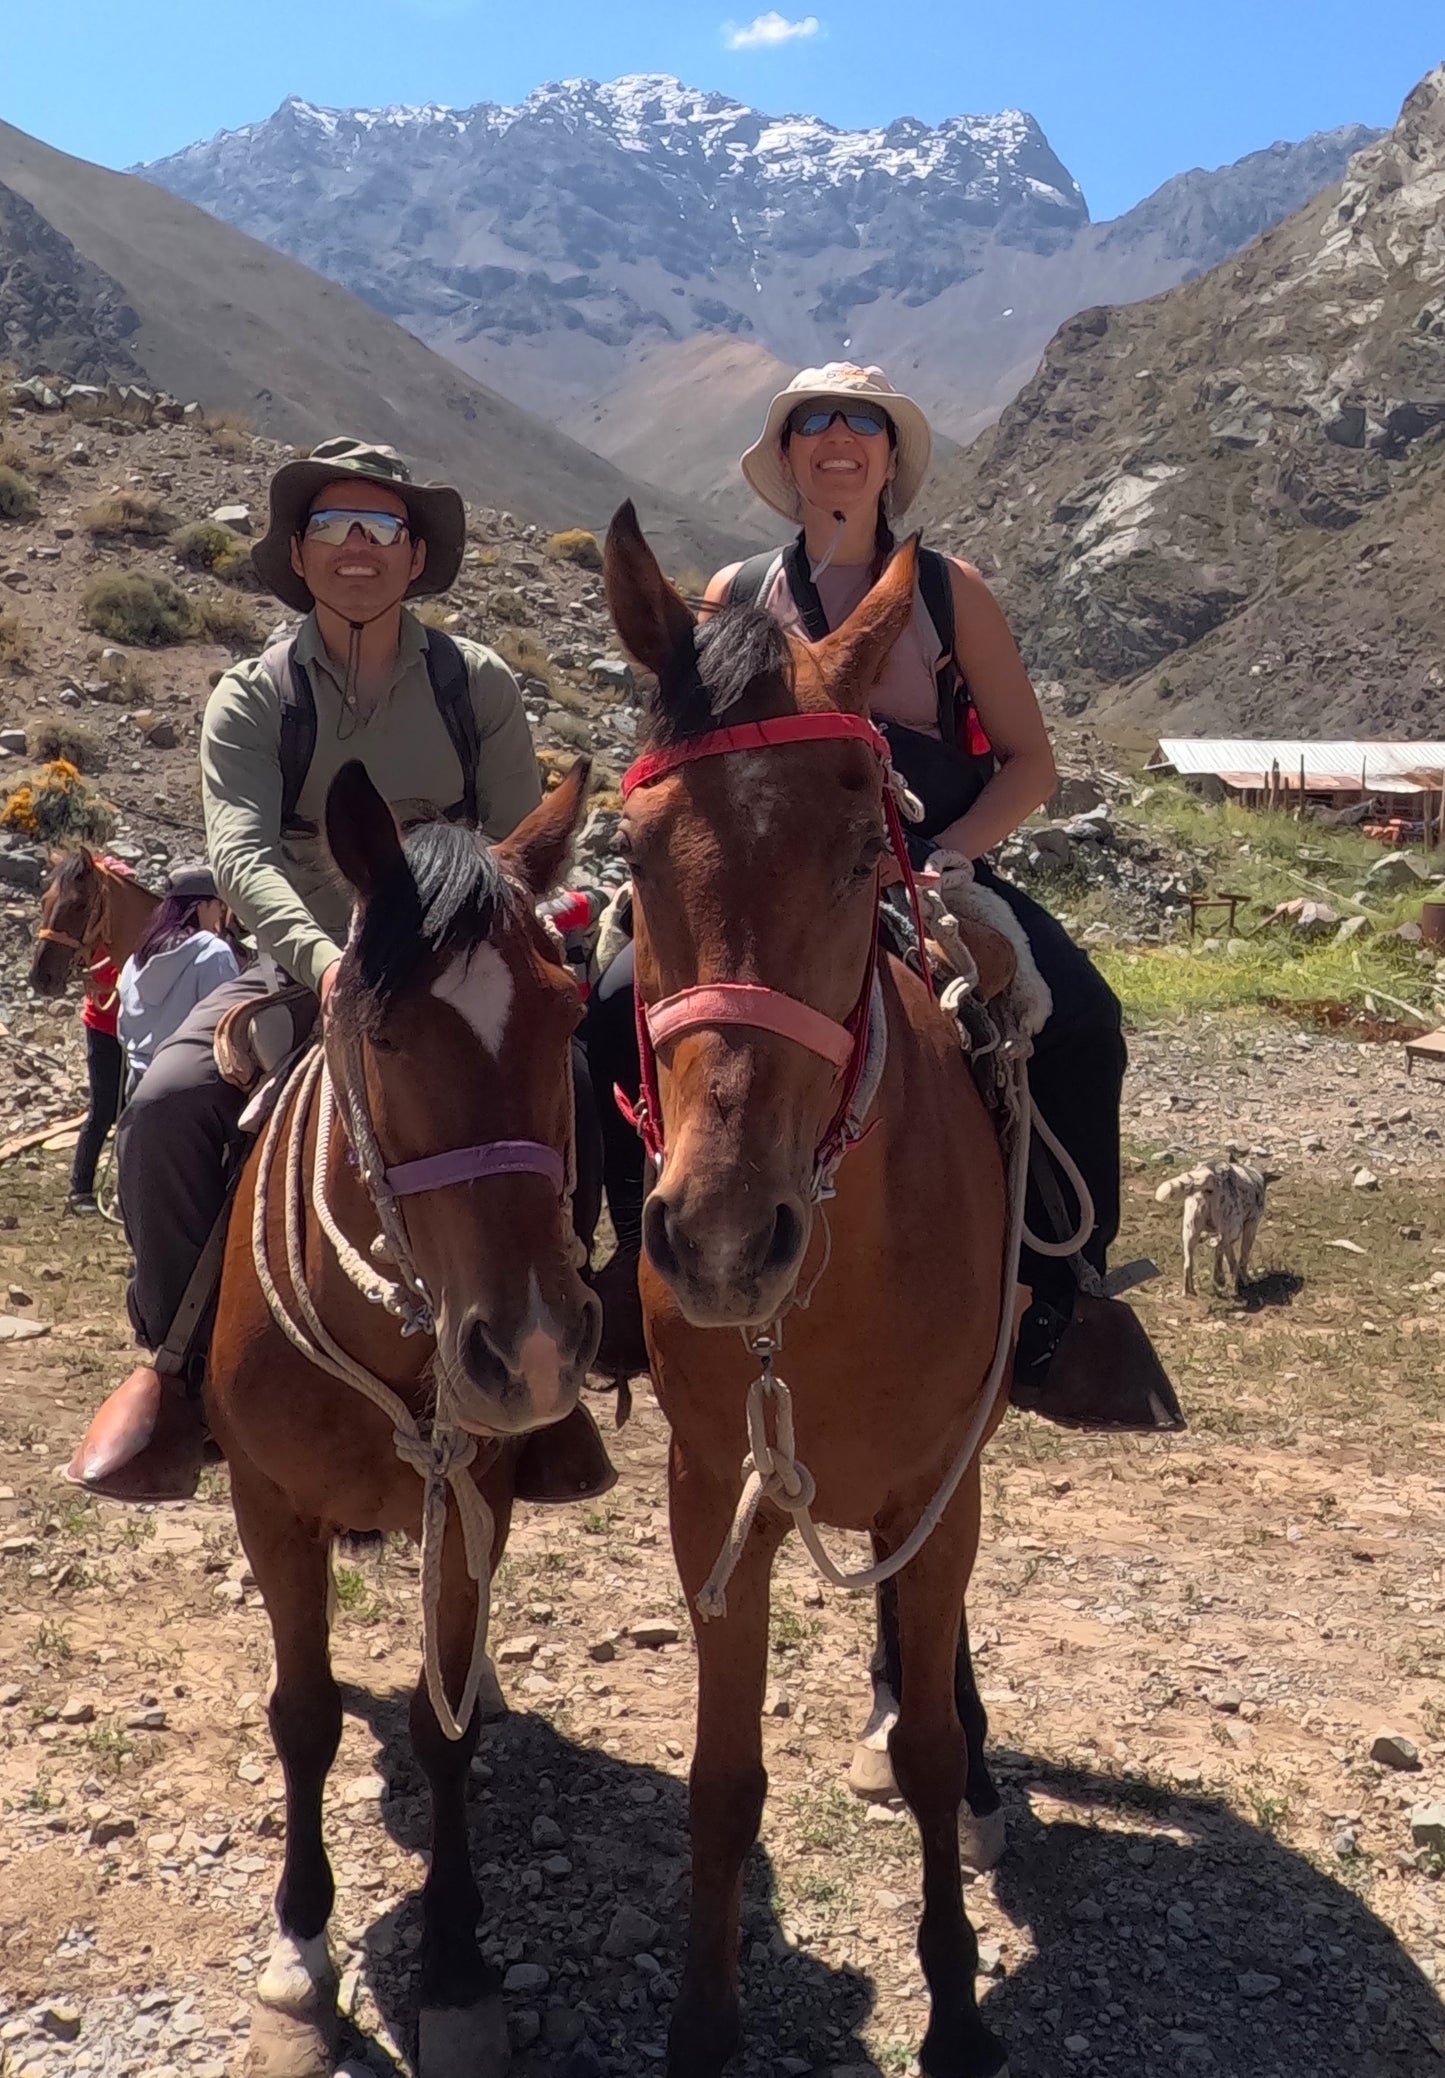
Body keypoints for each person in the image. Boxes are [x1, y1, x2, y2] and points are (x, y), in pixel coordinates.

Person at [587, 365, 1181, 1432]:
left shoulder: (947, 592)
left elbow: (1030, 762)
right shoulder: (732, 597)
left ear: (889, 457)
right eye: (811, 423)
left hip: (926, 859)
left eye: (861, 423)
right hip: (767, 875)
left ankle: (1059, 1301)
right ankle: (625, 1264)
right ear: (786, 459)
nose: (836, 439)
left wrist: (952, 851)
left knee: (1081, 1022)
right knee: (608, 1000)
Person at [67, 438, 612, 1505]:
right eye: (331, 527)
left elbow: (510, 846)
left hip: (450, 988)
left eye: (380, 528)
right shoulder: (253, 694)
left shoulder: (477, 686)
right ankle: (177, 1373)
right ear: (299, 556)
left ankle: (553, 1332)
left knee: (574, 1090)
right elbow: (241, 851)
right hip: (300, 970)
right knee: (171, 1106)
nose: (356, 547)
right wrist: (325, 964)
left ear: (415, 557)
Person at [117, 864, 239, 1093]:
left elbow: (124, 1023)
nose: (221, 913)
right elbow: (225, 1024)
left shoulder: (137, 957)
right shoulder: (214, 952)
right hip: (190, 1084)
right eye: (218, 905)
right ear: (201, 906)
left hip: (137, 1082)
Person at [64, 859, 132, 1216]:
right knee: (104, 1110)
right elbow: (98, 981)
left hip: (127, 1029)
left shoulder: (131, 933)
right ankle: (80, 1189)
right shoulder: (97, 935)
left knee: (128, 1110)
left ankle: (121, 1189)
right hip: (105, 1029)